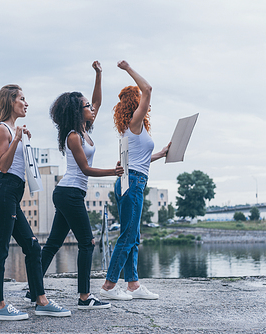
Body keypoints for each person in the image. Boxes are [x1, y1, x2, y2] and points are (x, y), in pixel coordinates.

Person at [32, 61, 123, 310]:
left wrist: (99, 75)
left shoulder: (85, 129)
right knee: (88, 243)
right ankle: (84, 297)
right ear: (76, 110)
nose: (91, 108)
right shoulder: (73, 135)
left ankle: (34, 288)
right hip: (69, 193)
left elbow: (98, 103)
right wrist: (113, 171)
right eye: (86, 106)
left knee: (52, 244)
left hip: (69, 193)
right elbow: (85, 169)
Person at [0, 84, 71, 321]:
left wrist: (24, 141)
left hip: (12, 195)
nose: (26, 103)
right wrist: (18, 140)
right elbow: (3, 166)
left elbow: (23, 165)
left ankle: (40, 300)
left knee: (33, 247)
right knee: (0, 251)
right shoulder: (2, 129)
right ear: (10, 102)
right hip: (3, 192)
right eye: (22, 99)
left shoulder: (14, 130)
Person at [99, 60, 170, 301]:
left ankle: (133, 284)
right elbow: (148, 88)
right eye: (138, 97)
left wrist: (160, 154)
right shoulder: (135, 122)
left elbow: (139, 158)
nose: (143, 99)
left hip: (128, 182)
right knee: (128, 235)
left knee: (133, 235)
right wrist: (128, 68)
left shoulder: (130, 128)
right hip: (134, 183)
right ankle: (109, 286)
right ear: (136, 101)